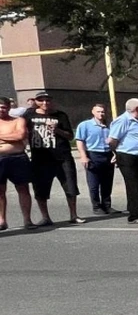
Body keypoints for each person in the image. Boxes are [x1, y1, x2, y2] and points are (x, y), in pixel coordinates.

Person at [21, 91, 84, 225]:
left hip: (62, 157)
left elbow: (70, 136)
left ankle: (74, 215)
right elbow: (20, 130)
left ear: (51, 101)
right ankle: (45, 217)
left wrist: (58, 131)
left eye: (47, 100)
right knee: (40, 189)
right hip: (41, 157)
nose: (45, 103)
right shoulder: (29, 115)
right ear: (36, 101)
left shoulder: (60, 115)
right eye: (41, 100)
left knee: (70, 187)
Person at [108, 98, 138, 224]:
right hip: (128, 156)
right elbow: (111, 140)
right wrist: (116, 153)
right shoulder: (123, 120)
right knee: (135, 186)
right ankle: (136, 215)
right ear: (136, 109)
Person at [0, 97, 35, 230]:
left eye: (3, 107)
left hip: (17, 158)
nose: (1, 109)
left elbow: (20, 136)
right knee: (0, 191)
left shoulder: (18, 120)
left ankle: (27, 220)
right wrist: (10, 137)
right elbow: (13, 137)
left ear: (9, 108)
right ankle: (2, 220)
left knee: (23, 188)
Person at [75, 104, 116, 215]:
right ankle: (96, 206)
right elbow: (80, 141)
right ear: (93, 112)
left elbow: (114, 141)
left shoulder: (110, 125)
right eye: (98, 111)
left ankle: (107, 205)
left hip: (107, 155)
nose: (101, 114)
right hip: (93, 155)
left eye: (103, 112)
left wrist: (115, 153)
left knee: (107, 183)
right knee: (94, 183)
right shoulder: (85, 125)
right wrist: (83, 156)